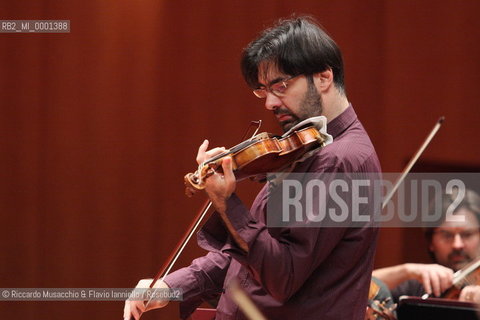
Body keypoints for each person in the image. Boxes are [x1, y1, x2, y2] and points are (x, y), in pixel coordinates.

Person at [124, 16, 381, 320]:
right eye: (262, 90)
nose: (270, 102)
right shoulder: (307, 150)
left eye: (280, 86)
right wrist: (171, 285)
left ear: (324, 77)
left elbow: (282, 275)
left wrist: (227, 202)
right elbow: (246, 260)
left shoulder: (339, 160)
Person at [373, 188, 480, 303]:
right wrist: (406, 271)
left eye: (467, 234)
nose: (457, 245)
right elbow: (360, 287)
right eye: (447, 235)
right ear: (431, 242)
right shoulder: (420, 285)